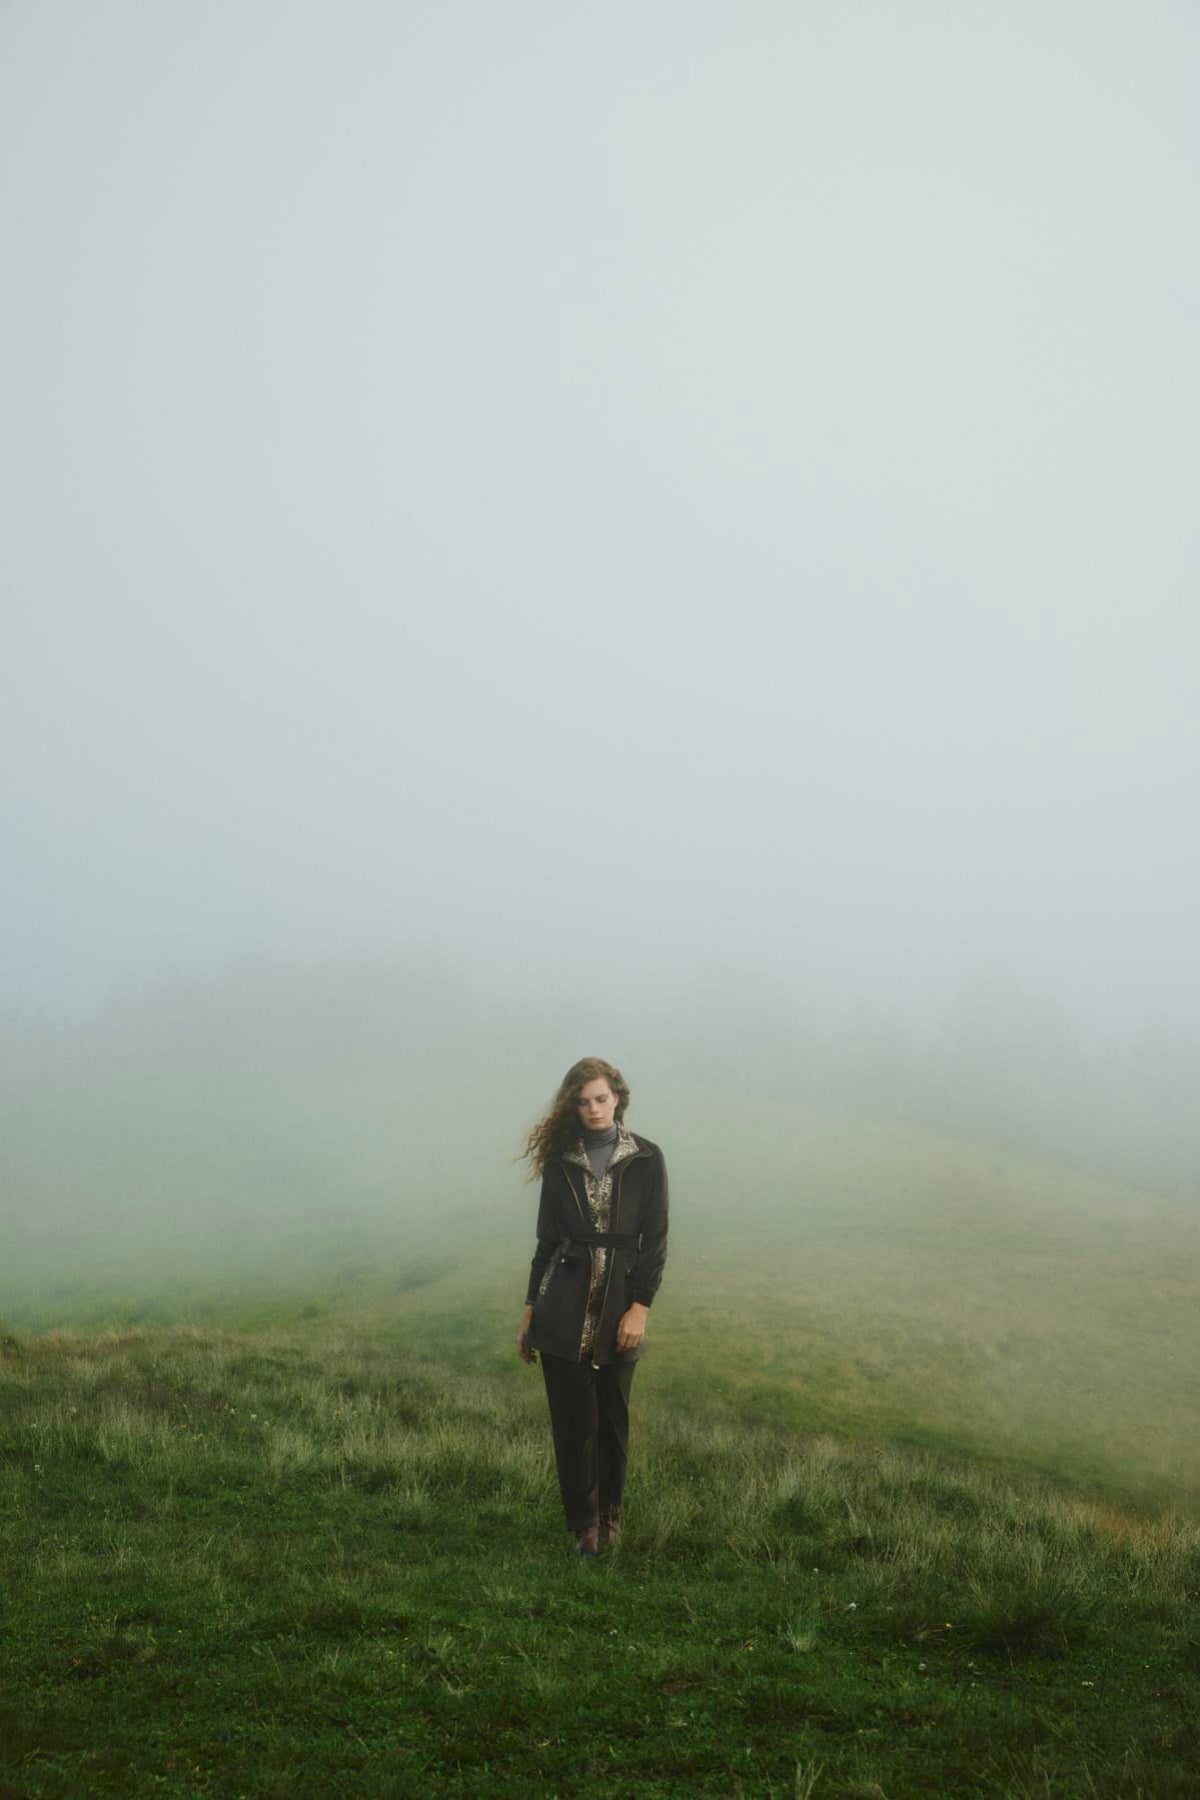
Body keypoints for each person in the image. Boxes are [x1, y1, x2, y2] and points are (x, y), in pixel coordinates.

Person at [515, 1056, 669, 1557]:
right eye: (583, 1102)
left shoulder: (646, 1158)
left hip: (620, 1306)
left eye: (601, 1099)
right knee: (572, 1424)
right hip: (562, 1307)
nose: (594, 1109)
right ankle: (584, 1525)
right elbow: (546, 1242)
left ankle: (610, 1516)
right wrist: (529, 1311)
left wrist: (640, 1307)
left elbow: (655, 1241)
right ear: (573, 1107)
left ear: (618, 1097)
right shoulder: (561, 1161)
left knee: (612, 1421)